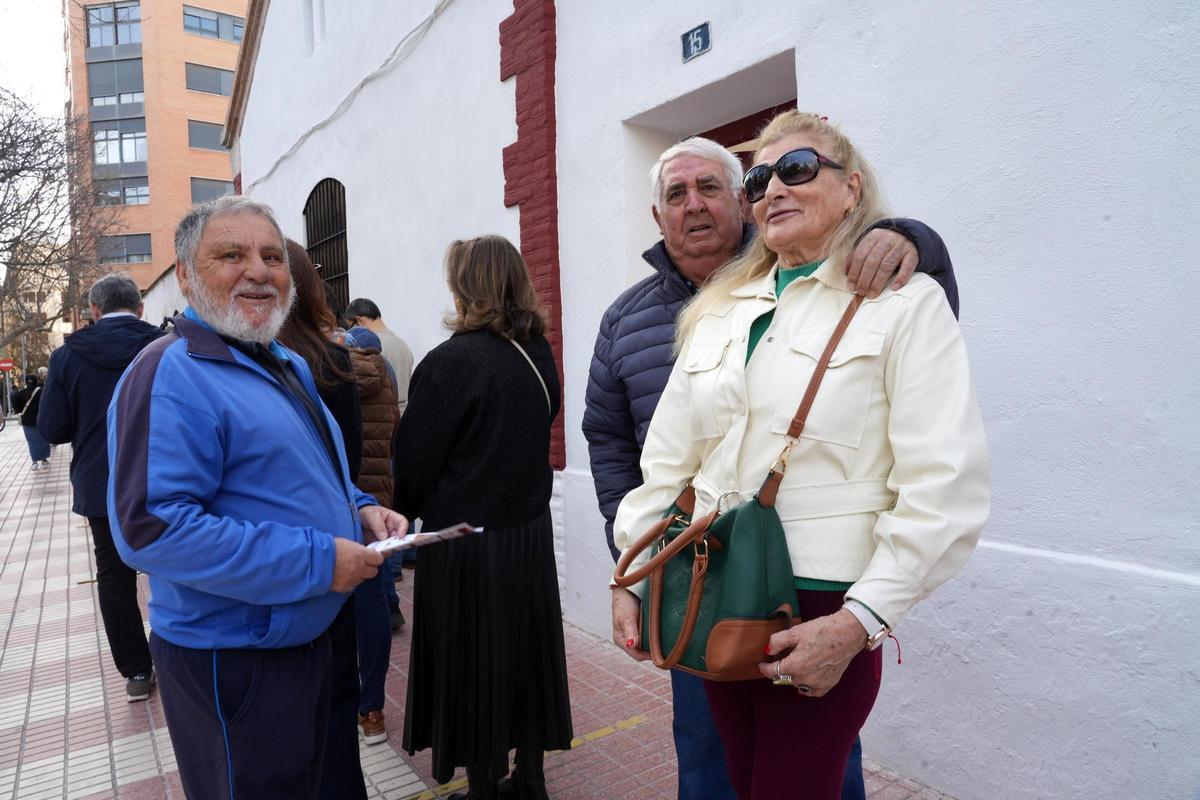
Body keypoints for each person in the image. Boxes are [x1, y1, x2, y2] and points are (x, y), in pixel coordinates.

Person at [610, 111, 990, 800]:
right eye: (760, 178)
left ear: (851, 188)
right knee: (738, 780)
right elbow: (666, 464)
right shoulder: (720, 308)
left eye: (798, 169)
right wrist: (633, 575)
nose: (774, 189)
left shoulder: (903, 302)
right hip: (715, 582)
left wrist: (859, 622)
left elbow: (944, 485)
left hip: (819, 605)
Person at [106, 195, 408, 799]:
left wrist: (359, 507)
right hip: (237, 660)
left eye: (273, 256)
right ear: (187, 276)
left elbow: (308, 472)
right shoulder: (169, 371)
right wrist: (321, 561)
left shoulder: (284, 361)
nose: (260, 270)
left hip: (308, 642)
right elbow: (153, 529)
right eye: (232, 254)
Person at [394, 235, 572, 800]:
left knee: (472, 665)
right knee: (526, 653)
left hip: (466, 545)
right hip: (527, 533)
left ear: (465, 286)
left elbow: (415, 466)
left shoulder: (451, 362)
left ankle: (486, 785)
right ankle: (533, 779)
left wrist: (406, 511)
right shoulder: (536, 352)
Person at [276, 238, 380, 797]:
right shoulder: (330, 358)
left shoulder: (295, 362)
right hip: (335, 549)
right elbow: (350, 466)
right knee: (336, 707)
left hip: (289, 566)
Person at [38, 273, 163, 700]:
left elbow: (52, 428)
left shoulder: (68, 356)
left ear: (94, 310)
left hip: (102, 483)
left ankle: (137, 672)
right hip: (165, 475)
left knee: (114, 574)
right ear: (140, 307)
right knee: (179, 561)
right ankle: (183, 653)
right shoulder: (164, 345)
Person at [345, 296, 414, 414]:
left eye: (350, 327)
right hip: (404, 415)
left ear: (359, 321)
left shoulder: (370, 347)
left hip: (382, 417)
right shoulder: (403, 345)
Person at [12, 371, 51, 470]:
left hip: (27, 421)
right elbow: (48, 404)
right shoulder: (42, 392)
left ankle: (34, 462)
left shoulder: (20, 394)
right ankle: (44, 459)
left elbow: (16, 407)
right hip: (41, 419)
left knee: (32, 441)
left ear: (26, 382)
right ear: (36, 381)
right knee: (43, 439)